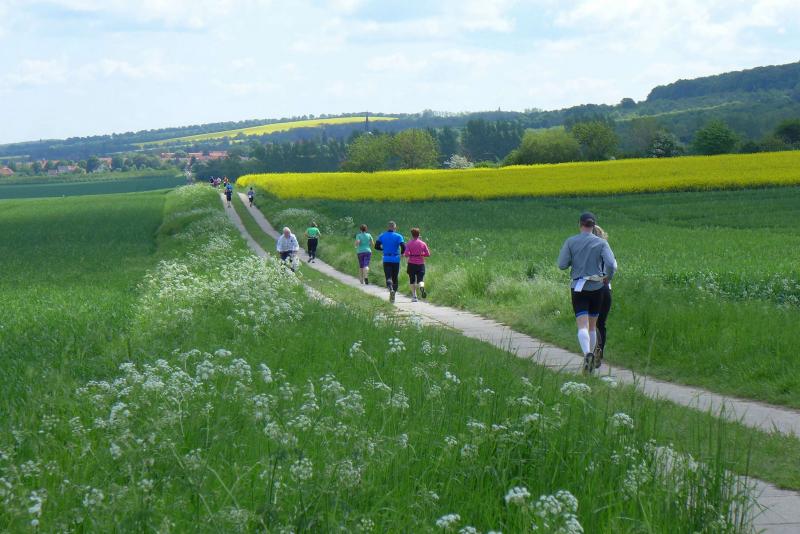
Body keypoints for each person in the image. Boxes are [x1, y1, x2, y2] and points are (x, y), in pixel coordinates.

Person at [557, 212, 617, 373]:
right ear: (593, 225)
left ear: (580, 224)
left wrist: (574, 259)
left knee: (582, 325)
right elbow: (612, 264)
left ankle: (587, 354)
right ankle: (591, 357)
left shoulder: (571, 241)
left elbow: (562, 264)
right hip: (597, 287)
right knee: (592, 326)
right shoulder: (601, 243)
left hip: (578, 287)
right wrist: (607, 278)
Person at [592, 224, 612, 369]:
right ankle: (600, 351)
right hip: (606, 289)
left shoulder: (586, 250)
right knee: (601, 324)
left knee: (589, 323)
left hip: (590, 288)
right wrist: (607, 279)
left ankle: (591, 352)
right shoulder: (607, 249)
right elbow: (613, 266)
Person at [375, 221, 405, 303]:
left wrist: (383, 249)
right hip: (396, 259)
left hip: (386, 259)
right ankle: (393, 294)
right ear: (395, 228)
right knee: (395, 277)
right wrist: (402, 254)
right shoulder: (398, 236)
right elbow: (403, 246)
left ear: (388, 227)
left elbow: (376, 246)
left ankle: (390, 289)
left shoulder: (382, 235)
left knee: (388, 277)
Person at [403, 227, 430, 302]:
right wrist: (421, 254)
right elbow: (428, 254)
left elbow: (406, 254)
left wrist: (411, 254)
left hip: (411, 264)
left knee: (412, 280)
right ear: (419, 234)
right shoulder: (423, 243)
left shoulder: (409, 243)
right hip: (421, 264)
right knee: (420, 280)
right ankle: (421, 287)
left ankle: (414, 296)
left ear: (412, 234)